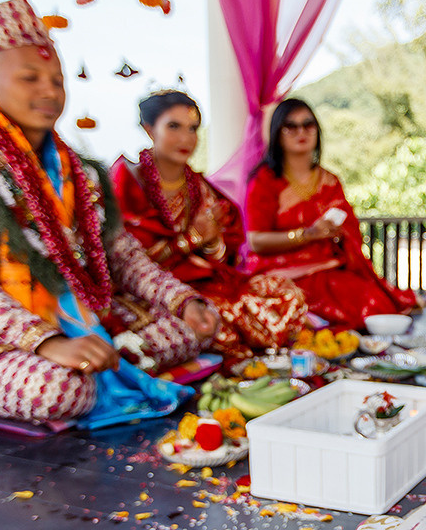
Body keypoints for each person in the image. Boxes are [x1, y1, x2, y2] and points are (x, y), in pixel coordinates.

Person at [0, 0, 217, 424]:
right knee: (62, 389)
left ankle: (98, 360)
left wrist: (182, 300)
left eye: (57, 81)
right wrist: (44, 342)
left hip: (79, 314)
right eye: (30, 78)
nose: (49, 92)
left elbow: (121, 257)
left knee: (196, 326)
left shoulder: (77, 170)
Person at [111, 90, 307, 362]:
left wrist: (212, 241)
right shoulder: (128, 182)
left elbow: (224, 257)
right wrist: (191, 238)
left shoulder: (202, 190)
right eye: (174, 127)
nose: (186, 138)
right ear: (149, 129)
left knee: (287, 293)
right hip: (160, 292)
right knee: (222, 317)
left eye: (193, 129)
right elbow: (127, 264)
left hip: (207, 279)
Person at [242, 99, 417, 330]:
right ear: (277, 133)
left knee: (374, 304)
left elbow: (351, 234)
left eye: (308, 125)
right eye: (291, 126)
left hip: (327, 269)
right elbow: (256, 242)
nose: (301, 132)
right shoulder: (264, 182)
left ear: (317, 130)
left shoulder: (329, 182)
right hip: (282, 276)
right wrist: (308, 234)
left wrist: (336, 234)